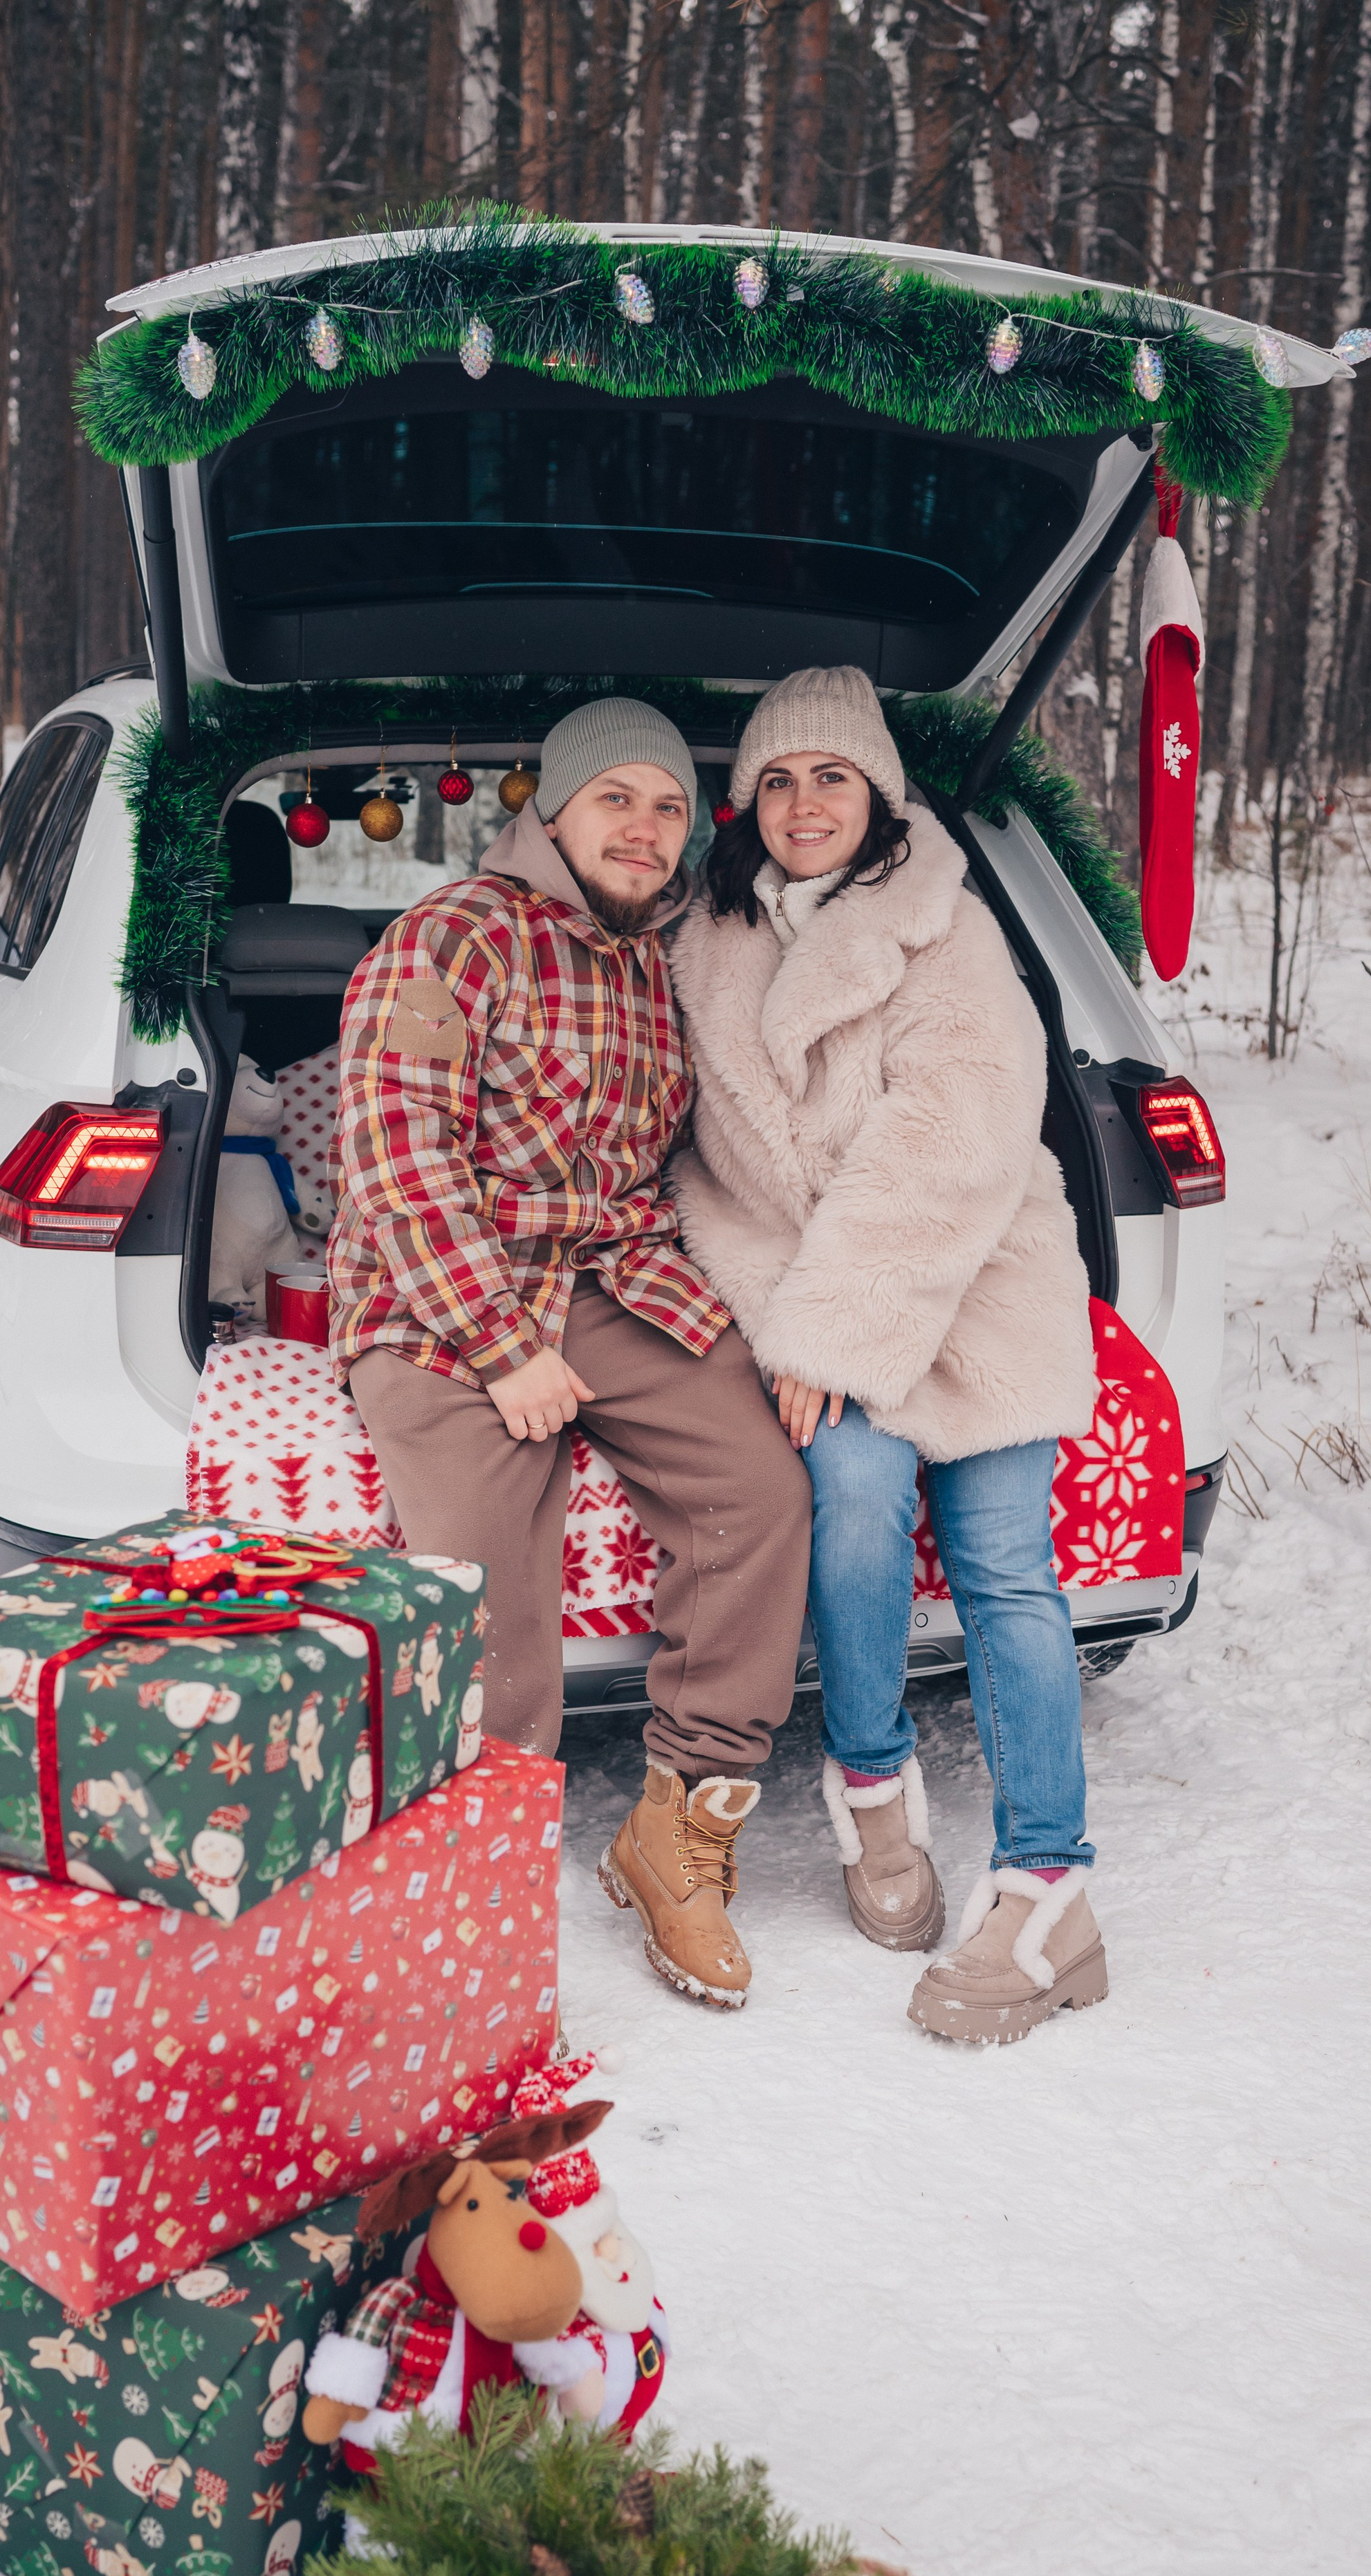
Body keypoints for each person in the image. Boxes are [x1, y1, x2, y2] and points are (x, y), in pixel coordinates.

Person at [331, 697, 811, 2013]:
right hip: (444, 1288)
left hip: (614, 1276)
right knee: (485, 1583)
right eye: (618, 800)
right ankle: (470, 1894)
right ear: (553, 809)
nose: (647, 829)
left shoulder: (670, 958)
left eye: (670, 806)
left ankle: (678, 1824)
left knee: (760, 1496)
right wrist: (500, 1348)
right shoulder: (455, 937)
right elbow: (393, 1154)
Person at [668, 667, 1107, 2046]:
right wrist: (793, 1321)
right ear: (745, 802)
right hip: (806, 1291)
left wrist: (830, 1334)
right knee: (847, 1502)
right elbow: (713, 1170)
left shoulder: (946, 930)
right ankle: (870, 1791)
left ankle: (1049, 1886)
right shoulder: (700, 942)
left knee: (1001, 1568)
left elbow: (952, 1149)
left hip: (968, 1292)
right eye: (780, 780)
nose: (805, 806)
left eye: (833, 779)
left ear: (878, 798)